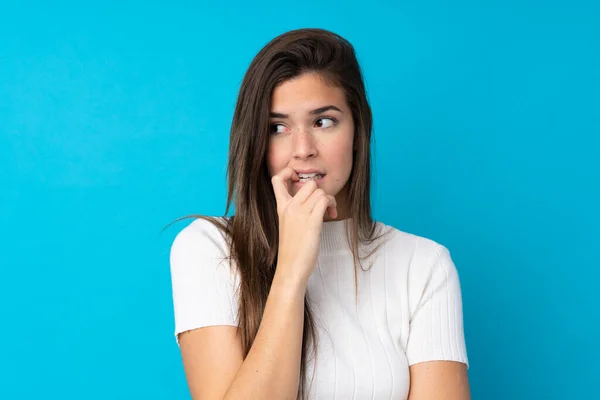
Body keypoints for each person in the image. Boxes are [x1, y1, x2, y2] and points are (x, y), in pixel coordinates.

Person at [169, 28, 470, 400]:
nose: (303, 150)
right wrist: (291, 272)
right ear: (257, 143)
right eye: (277, 127)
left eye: (323, 121)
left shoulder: (423, 266)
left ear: (359, 126)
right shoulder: (208, 249)